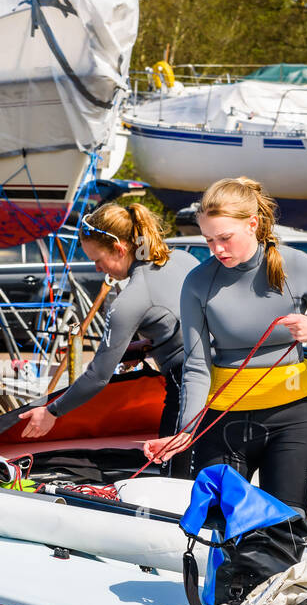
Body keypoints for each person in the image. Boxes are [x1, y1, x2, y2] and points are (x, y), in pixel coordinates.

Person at [145, 177, 307, 555]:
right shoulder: (198, 282)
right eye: (208, 240)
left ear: (253, 225)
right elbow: (197, 367)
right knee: (222, 534)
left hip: (293, 420)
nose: (216, 249)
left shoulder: (298, 266)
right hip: (226, 423)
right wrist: (184, 433)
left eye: (224, 238)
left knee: (284, 532)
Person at [18, 203, 199, 474]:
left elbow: (97, 376)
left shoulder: (131, 298)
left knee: (174, 480)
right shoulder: (184, 260)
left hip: (185, 388)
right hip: (223, 381)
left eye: (98, 260)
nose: (97, 268)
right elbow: (185, 324)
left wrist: (51, 412)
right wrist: (148, 347)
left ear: (120, 249)